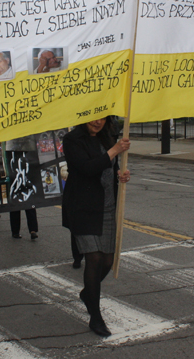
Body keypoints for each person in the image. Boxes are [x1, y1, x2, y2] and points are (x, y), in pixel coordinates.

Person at [62, 117, 130, 337]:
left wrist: (121, 175)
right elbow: (87, 168)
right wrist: (113, 151)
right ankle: (96, 317)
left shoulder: (107, 136)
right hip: (82, 207)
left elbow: (112, 167)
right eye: (93, 117)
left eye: (102, 117)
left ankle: (87, 293)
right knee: (94, 258)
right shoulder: (72, 139)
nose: (98, 122)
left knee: (108, 261)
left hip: (107, 207)